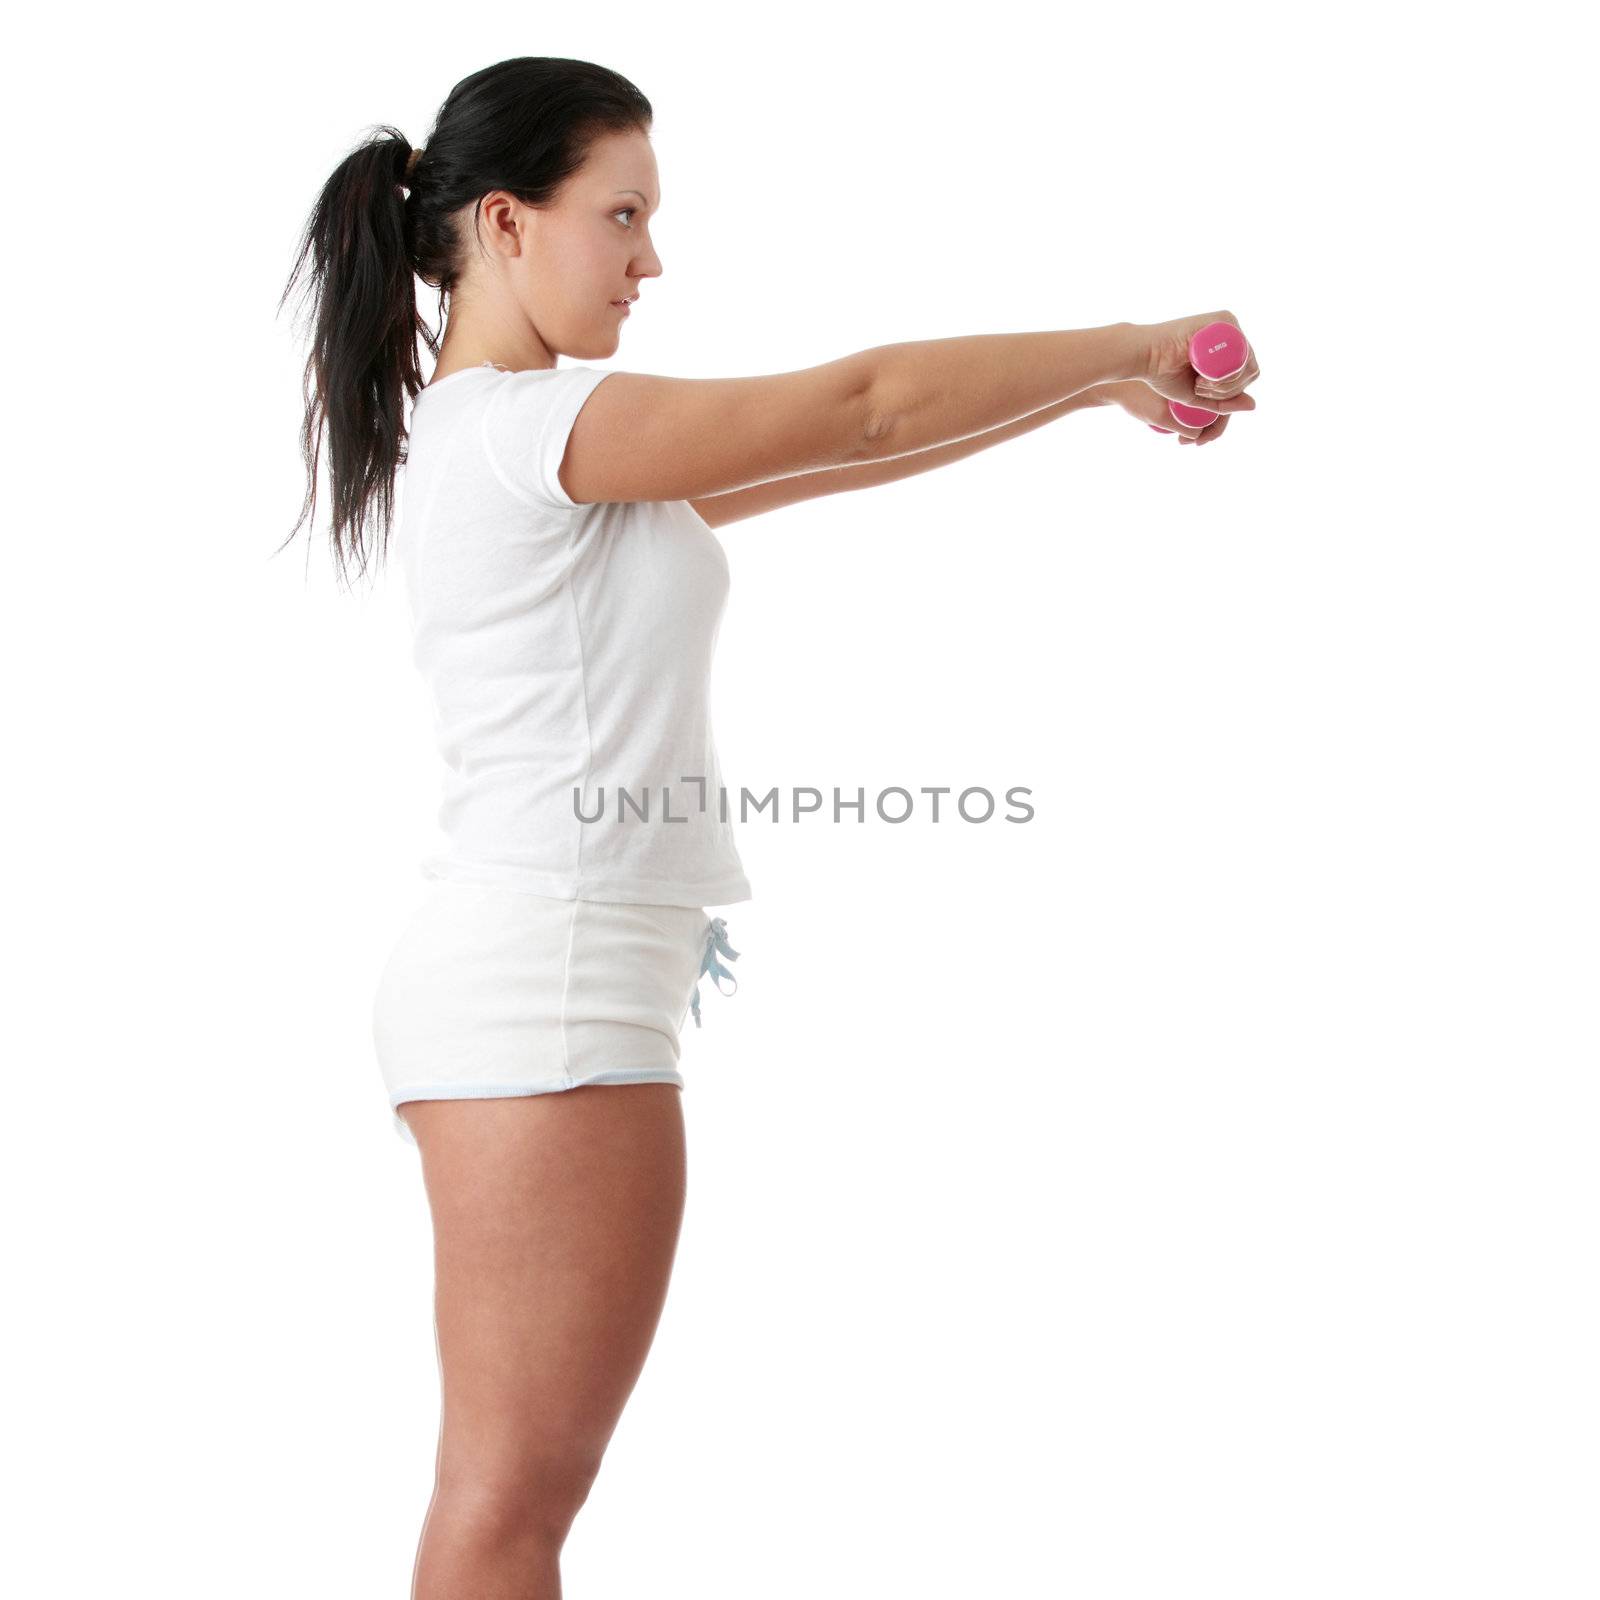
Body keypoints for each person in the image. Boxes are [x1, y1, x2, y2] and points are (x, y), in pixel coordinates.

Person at [278, 52, 1260, 1600]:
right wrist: (1133, 337)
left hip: (544, 977)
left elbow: (847, 451)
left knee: (513, 1495)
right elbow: (858, 408)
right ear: (506, 223)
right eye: (623, 214)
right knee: (509, 1505)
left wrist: (1100, 389)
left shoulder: (529, 449)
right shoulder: (533, 432)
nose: (651, 258)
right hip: (550, 990)